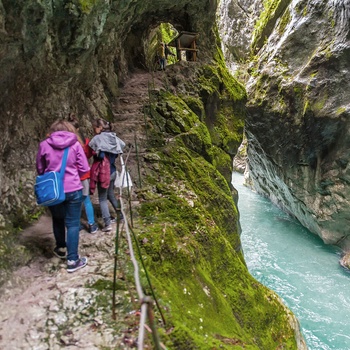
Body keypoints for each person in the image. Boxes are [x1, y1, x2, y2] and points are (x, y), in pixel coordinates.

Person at [36, 120, 90, 273]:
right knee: (72, 224)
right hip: (73, 188)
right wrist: (72, 176)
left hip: (53, 189)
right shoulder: (75, 144)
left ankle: (61, 248)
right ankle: (73, 260)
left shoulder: (44, 145)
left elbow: (40, 168)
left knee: (58, 219)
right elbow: (84, 167)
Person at [88, 119, 125, 232]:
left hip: (104, 173)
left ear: (99, 127)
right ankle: (121, 216)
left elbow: (97, 153)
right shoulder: (114, 137)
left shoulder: (98, 139)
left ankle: (107, 223)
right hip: (113, 171)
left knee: (102, 198)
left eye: (95, 128)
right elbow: (122, 145)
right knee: (111, 195)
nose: (94, 130)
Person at [67, 114, 98, 234]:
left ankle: (76, 223)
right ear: (78, 129)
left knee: (74, 201)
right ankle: (91, 224)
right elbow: (89, 154)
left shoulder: (65, 143)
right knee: (86, 200)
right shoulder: (84, 141)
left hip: (69, 176)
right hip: (83, 175)